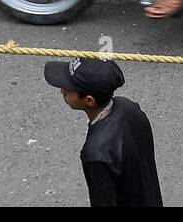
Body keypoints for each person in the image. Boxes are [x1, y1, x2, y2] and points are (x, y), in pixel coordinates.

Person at [44, 58, 162, 207]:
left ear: (89, 100)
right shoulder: (129, 107)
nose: (61, 91)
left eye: (67, 91)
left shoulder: (96, 153)